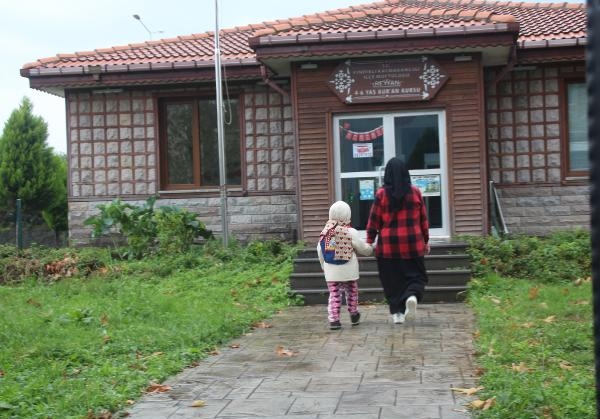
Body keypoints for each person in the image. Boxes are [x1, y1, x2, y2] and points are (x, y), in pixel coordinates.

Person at [366, 157, 430, 324]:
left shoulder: (381, 194)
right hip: (413, 244)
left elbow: (374, 220)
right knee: (417, 276)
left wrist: (369, 240)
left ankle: (397, 314)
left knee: (391, 280)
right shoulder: (415, 192)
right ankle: (412, 296)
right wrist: (426, 240)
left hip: (388, 247)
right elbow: (423, 219)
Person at [317, 200, 373, 330]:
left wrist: (324, 267)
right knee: (352, 292)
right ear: (348, 215)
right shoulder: (351, 232)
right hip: (349, 270)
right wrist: (370, 249)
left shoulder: (325, 232)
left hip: (331, 271)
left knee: (335, 295)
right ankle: (353, 314)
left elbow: (320, 251)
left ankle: (334, 321)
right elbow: (362, 248)